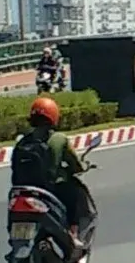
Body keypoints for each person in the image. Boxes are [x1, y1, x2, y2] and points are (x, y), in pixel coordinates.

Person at [11, 97, 90, 252]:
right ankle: (73, 234)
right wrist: (82, 167)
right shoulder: (59, 139)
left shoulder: (22, 142)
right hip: (50, 189)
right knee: (74, 194)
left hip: (22, 190)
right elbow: (75, 165)